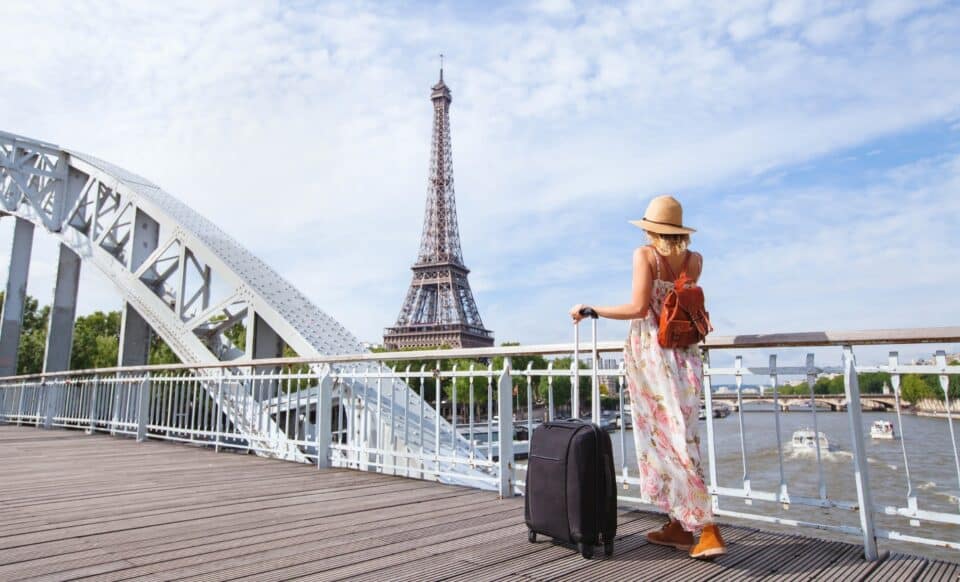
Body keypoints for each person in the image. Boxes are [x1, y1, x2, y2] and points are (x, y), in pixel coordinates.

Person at [569, 195, 727, 559]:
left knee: (664, 442)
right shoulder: (695, 260)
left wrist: (591, 309)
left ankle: (706, 527)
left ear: (650, 229)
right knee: (681, 438)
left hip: (653, 357)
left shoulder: (646, 256)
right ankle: (678, 525)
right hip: (686, 357)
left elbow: (639, 308)